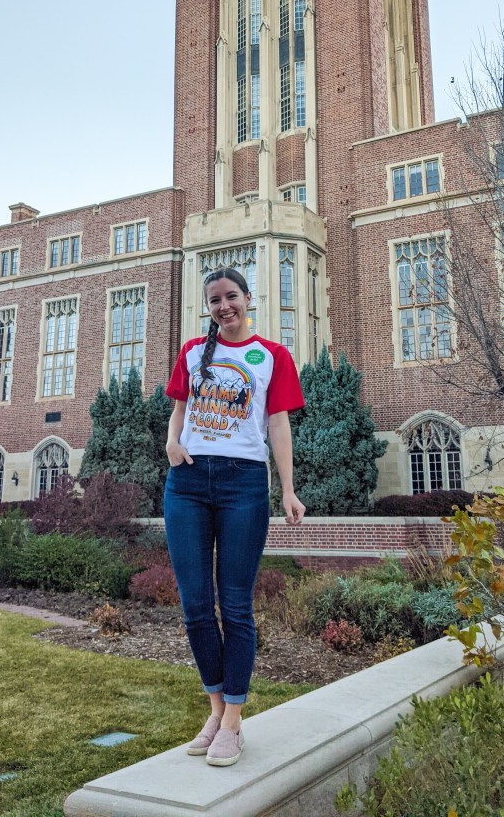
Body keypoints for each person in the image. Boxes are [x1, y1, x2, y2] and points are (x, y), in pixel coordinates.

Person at [165, 266, 306, 767]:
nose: (224, 307)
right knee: (196, 606)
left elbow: (278, 425)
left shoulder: (272, 356)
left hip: (244, 483)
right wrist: (170, 442)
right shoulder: (190, 353)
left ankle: (232, 723)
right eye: (215, 300)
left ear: (248, 299)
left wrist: (287, 489)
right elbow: (179, 409)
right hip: (187, 483)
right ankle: (216, 709)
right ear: (208, 307)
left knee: (236, 605)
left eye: (231, 297)